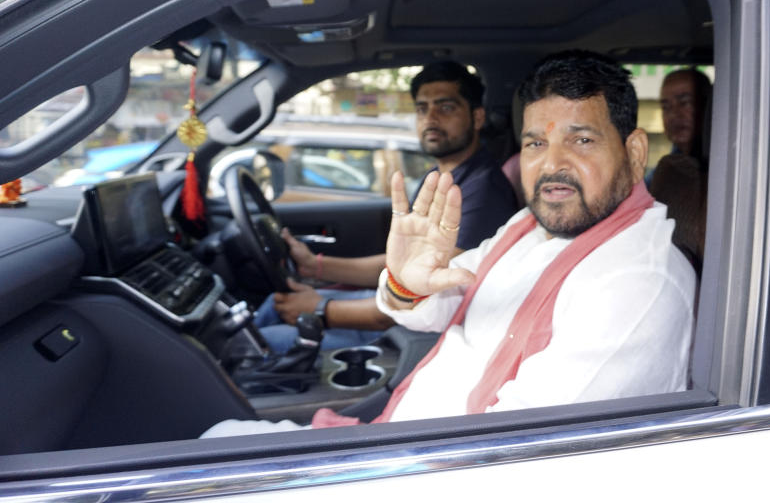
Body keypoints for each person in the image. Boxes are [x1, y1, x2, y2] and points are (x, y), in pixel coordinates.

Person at [204, 51, 695, 436]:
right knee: (217, 433)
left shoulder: (636, 283)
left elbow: (519, 456)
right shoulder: (528, 226)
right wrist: (404, 283)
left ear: (633, 154)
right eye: (535, 143)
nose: (551, 165)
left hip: (431, 466)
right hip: (403, 433)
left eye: (581, 140)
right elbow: (432, 307)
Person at [254, 61, 518, 351]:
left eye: (445, 108)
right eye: (422, 109)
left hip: (410, 330)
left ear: (477, 118)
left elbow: (426, 290)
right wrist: (315, 266)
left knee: (259, 346)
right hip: (395, 306)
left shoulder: (483, 193)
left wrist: (322, 309)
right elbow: (404, 265)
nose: (430, 118)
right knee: (272, 305)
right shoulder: (440, 175)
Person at [647, 68, 712, 268]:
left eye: (684, 102)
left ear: (709, 106)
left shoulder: (723, 172)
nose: (674, 114)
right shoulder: (666, 170)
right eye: (666, 107)